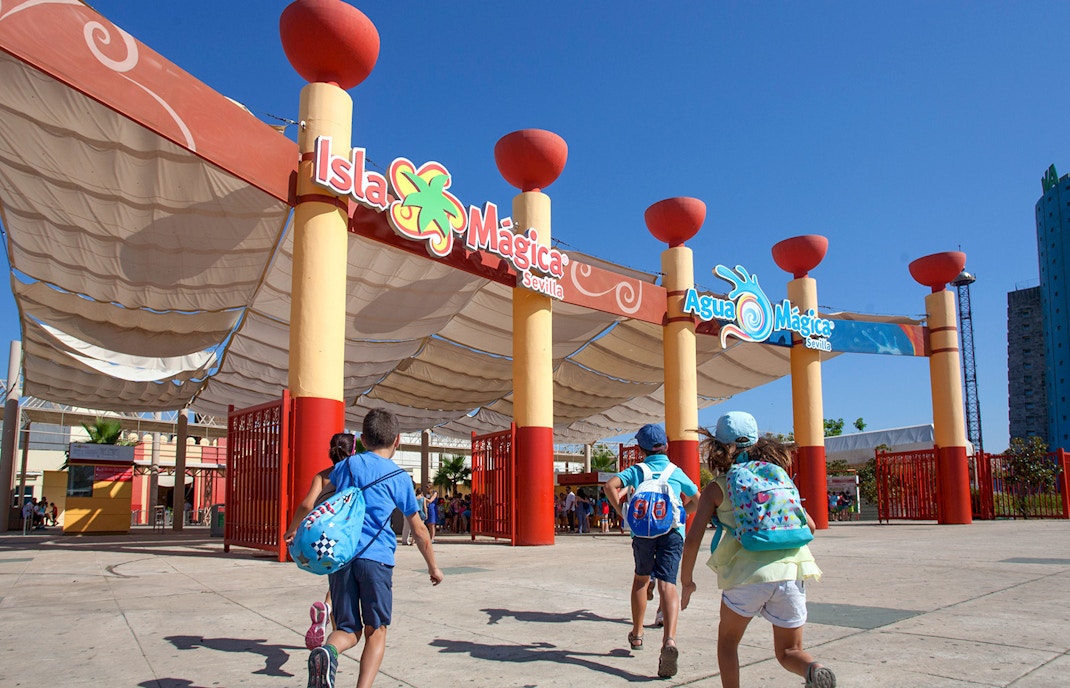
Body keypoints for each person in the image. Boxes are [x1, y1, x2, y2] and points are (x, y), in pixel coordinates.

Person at [285, 409, 443, 688]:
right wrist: (433, 567)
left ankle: (328, 650)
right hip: (377, 560)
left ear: (363, 440)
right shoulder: (399, 477)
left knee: (347, 630)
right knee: (376, 631)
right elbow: (419, 530)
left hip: (342, 558)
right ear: (397, 440)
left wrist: (293, 529)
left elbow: (312, 500)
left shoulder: (347, 466)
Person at [680, 411, 835, 688]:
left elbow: (692, 539)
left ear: (716, 446)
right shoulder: (777, 477)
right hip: (791, 573)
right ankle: (813, 668)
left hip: (746, 575)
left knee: (728, 643)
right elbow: (810, 526)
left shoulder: (718, 487)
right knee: (789, 651)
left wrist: (687, 581)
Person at [604, 423, 698, 679]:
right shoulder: (675, 471)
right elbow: (698, 500)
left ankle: (637, 634)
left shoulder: (637, 470)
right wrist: (681, 513)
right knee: (668, 584)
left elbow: (610, 486)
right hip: (672, 532)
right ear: (665, 446)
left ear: (640, 449)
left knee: (641, 580)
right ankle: (669, 640)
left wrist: (623, 513)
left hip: (642, 534)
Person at [284, 432, 357, 650]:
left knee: (335, 578)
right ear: (353, 451)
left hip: (324, 536)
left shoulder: (323, 476)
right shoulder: (354, 473)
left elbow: (307, 504)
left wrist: (292, 528)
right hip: (346, 535)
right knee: (342, 585)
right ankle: (328, 610)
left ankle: (330, 630)